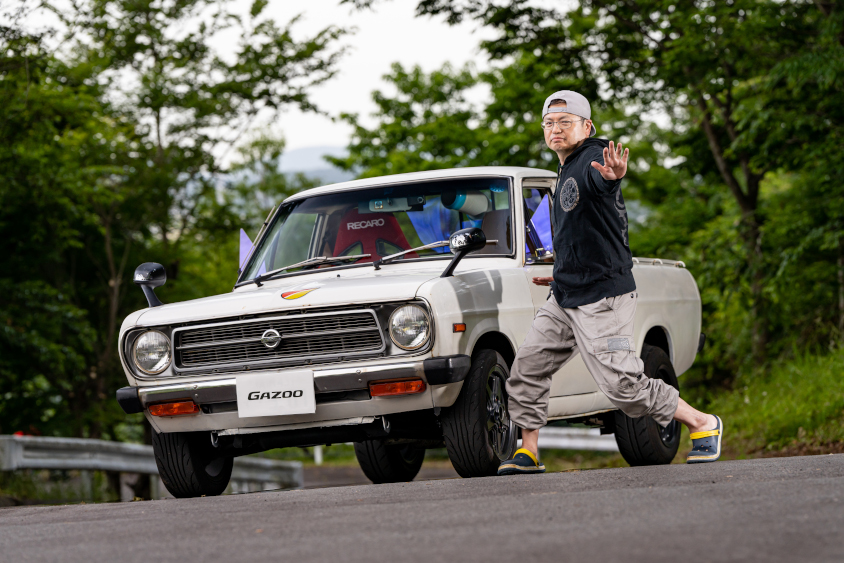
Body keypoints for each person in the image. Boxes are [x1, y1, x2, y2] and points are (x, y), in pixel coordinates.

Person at [498, 90, 723, 475]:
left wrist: (613, 177)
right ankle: (529, 451)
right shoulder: (564, 168)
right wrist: (558, 270)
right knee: (528, 368)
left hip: (603, 297)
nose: (556, 129)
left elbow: (603, 182)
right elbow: (581, 235)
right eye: (549, 123)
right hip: (565, 293)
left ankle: (702, 423)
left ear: (587, 126)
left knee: (623, 386)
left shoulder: (592, 160)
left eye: (565, 122)